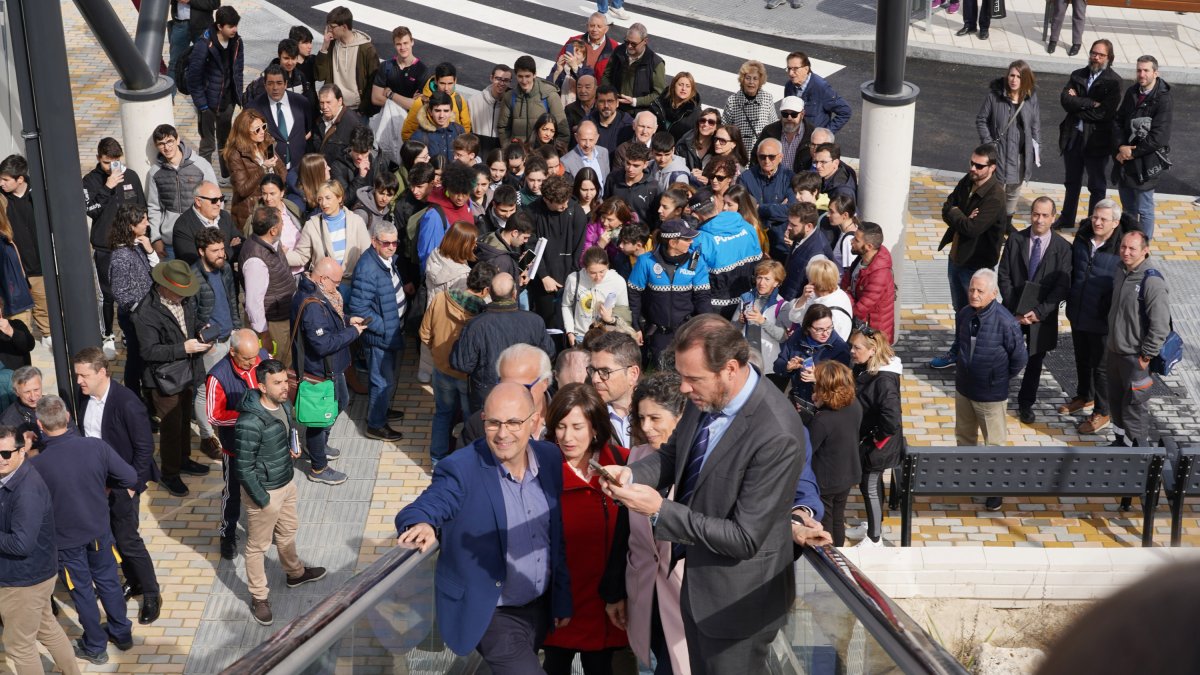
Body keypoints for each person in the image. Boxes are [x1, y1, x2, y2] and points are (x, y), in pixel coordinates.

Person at [600, 315, 812, 674]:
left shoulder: (776, 432)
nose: (683, 388)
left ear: (730, 369)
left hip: (738, 607)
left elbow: (745, 538)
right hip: (698, 590)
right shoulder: (708, 398)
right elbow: (673, 456)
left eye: (693, 378)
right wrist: (631, 474)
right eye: (682, 375)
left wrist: (659, 510)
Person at [396, 383, 573, 671]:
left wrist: (561, 597)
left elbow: (554, 536)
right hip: (491, 614)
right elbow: (428, 504)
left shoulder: (550, 458)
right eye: (494, 423)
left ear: (534, 422)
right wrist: (422, 522)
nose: (503, 434)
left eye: (514, 422)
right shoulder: (461, 468)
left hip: (539, 607)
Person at [31, 396, 137, 665]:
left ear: (40, 425)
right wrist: (105, 486)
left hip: (65, 540)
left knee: (82, 591)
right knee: (109, 581)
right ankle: (122, 633)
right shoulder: (95, 447)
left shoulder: (37, 466)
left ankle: (95, 645)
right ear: (67, 418)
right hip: (99, 530)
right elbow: (129, 477)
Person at [597, 373, 690, 674]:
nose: (646, 427)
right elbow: (624, 531)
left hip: (686, 600)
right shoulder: (637, 457)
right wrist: (614, 593)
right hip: (646, 595)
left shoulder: (700, 462)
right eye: (641, 418)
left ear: (681, 417)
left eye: (655, 418)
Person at [540, 383, 629, 673]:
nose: (567, 437)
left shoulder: (624, 463)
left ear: (595, 428)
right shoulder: (539, 471)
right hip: (559, 603)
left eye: (577, 427)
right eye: (560, 426)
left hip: (608, 604)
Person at [234, 358, 327, 625]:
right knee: (257, 547)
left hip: (286, 483)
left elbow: (282, 436)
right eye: (277, 383)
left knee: (287, 531)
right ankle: (259, 596)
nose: (285, 387)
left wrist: (290, 449)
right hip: (265, 492)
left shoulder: (284, 405)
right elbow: (243, 467)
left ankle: (295, 573)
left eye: (285, 380)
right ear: (262, 387)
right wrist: (262, 499)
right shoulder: (249, 422)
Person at [73, 347, 161, 623]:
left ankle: (151, 592)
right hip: (96, 484)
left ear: (102, 372)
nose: (79, 381)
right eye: (77, 376)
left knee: (128, 539)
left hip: (122, 485)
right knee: (111, 537)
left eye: (84, 375)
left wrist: (131, 484)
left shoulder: (127, 403)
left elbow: (144, 448)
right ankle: (134, 581)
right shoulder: (84, 397)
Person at [0, 425, 83, 675]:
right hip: (36, 573)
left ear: (21, 451)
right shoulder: (12, 477)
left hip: (23, 581)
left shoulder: (26, 491)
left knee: (19, 646)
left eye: (5, 453)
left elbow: (21, 544)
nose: (0, 459)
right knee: (46, 626)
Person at [133, 260, 213, 497]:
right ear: (165, 287)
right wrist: (183, 348)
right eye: (179, 292)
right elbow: (148, 352)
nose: (183, 296)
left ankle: (183, 460)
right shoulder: (145, 313)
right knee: (171, 426)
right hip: (164, 379)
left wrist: (201, 329)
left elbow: (190, 323)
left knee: (184, 419)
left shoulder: (183, 300)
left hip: (187, 371)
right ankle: (169, 474)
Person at [954, 269, 1028, 511]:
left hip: (991, 395)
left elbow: (1019, 357)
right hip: (964, 388)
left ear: (993, 293)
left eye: (980, 291)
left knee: (993, 444)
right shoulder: (964, 314)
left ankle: (994, 489)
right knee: (964, 437)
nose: (974, 295)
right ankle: (966, 479)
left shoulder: (1006, 322)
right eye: (971, 289)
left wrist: (998, 378)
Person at [930, 144, 1007, 369]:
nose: (973, 168)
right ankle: (960, 351)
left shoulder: (995, 197)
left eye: (979, 166)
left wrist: (957, 212)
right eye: (972, 163)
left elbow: (972, 229)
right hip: (957, 257)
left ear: (992, 168)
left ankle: (974, 355)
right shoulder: (968, 180)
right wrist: (960, 214)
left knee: (976, 311)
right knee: (961, 309)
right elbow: (947, 207)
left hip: (975, 264)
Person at [997, 197, 1072, 424]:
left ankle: (1025, 403)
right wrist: (1016, 309)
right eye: (1036, 214)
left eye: (1045, 215)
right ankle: (996, 396)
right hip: (1013, 312)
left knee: (1035, 361)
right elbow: (1004, 275)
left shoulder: (1063, 248)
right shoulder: (1016, 240)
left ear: (1053, 217)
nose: (1039, 220)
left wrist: (1039, 312)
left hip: (1042, 317)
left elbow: (1062, 286)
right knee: (1003, 354)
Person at [293, 258, 363, 484]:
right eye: (336, 282)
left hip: (332, 367)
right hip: (319, 371)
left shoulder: (319, 295)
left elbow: (329, 322)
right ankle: (318, 467)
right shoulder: (313, 305)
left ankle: (318, 444)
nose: (338, 287)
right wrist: (353, 332)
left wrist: (347, 320)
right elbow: (322, 344)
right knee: (319, 418)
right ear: (322, 279)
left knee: (341, 401)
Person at [451, 272, 556, 412]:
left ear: (489, 293)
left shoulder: (476, 325)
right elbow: (549, 353)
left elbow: (463, 364)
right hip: (524, 391)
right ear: (514, 293)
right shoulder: (535, 321)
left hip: (487, 396)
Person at [421, 263, 494, 463]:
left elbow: (424, 333)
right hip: (467, 377)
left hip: (441, 370)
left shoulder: (440, 299)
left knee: (442, 414)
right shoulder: (483, 315)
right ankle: (468, 463)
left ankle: (437, 460)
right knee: (471, 420)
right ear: (486, 290)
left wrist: (438, 354)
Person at [1062, 200, 1122, 434]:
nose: (1097, 222)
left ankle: (1102, 411)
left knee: (1101, 368)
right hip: (1078, 312)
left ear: (1115, 223)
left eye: (1103, 219)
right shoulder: (1082, 238)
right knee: (1082, 359)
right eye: (1095, 217)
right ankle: (1083, 396)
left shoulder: (1121, 248)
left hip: (1102, 319)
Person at [205, 329, 266, 559]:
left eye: (255, 356)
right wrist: (248, 417)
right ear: (232, 352)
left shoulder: (261, 358)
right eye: (247, 359)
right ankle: (227, 534)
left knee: (264, 486)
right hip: (236, 447)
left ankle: (264, 528)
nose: (253, 362)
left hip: (263, 443)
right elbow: (214, 415)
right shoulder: (217, 376)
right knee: (232, 493)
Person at [1107, 230, 1170, 448]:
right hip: (1114, 353)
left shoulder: (1152, 282)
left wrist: (1146, 355)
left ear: (1145, 251)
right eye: (1123, 247)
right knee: (1116, 402)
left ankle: (1138, 454)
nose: (1126, 252)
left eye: (1132, 248)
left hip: (1135, 358)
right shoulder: (1120, 271)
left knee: (1135, 408)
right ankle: (1120, 444)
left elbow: (1160, 326)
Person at [83, 137, 147, 352]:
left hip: (131, 245)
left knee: (133, 291)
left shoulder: (131, 176)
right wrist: (108, 187)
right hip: (105, 247)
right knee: (107, 295)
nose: (111, 167)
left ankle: (130, 332)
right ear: (98, 158)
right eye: (106, 162)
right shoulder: (90, 181)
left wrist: (145, 237)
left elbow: (142, 207)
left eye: (115, 161)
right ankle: (107, 335)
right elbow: (91, 210)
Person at [347, 222, 408, 442]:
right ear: (374, 242)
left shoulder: (385, 260)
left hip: (390, 333)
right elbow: (359, 309)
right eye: (386, 243)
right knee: (382, 381)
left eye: (395, 243)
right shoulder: (368, 269)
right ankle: (375, 425)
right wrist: (386, 328)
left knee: (386, 380)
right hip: (379, 338)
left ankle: (381, 410)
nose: (391, 247)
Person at [1056, 38, 1122, 231]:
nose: (1096, 57)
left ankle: (1094, 223)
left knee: (1096, 185)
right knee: (1071, 181)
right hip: (1073, 137)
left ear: (1109, 58)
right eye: (1094, 53)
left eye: (1101, 55)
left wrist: (1077, 105)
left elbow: (1105, 113)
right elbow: (1065, 101)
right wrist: (1091, 103)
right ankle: (1067, 218)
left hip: (1096, 140)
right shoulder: (1078, 75)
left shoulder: (1114, 82)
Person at [846, 327, 903, 547]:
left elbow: (892, 419)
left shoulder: (884, 380)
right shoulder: (865, 368)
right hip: (870, 441)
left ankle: (875, 538)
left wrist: (874, 438)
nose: (852, 351)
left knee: (869, 486)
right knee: (870, 484)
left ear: (872, 350)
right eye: (852, 346)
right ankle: (873, 524)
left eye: (856, 348)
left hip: (878, 446)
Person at [627, 219, 712, 367]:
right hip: (658, 333)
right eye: (686, 239)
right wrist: (636, 326)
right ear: (672, 242)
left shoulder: (696, 261)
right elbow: (634, 295)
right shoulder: (645, 261)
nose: (691, 242)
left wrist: (708, 326)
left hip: (686, 331)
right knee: (662, 374)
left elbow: (703, 298)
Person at [188, 226, 240, 461]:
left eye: (222, 249)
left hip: (229, 338)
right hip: (212, 345)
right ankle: (207, 437)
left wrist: (236, 327)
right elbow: (191, 314)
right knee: (204, 391)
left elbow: (232, 300)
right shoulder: (193, 277)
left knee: (228, 387)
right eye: (215, 250)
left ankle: (225, 427)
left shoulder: (225, 268)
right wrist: (202, 335)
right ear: (201, 251)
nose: (221, 254)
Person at [1113, 55, 1172, 239]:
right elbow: (1118, 121)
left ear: (1155, 73)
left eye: (1146, 70)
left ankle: (1143, 248)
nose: (1142, 74)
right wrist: (1121, 146)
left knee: (1144, 209)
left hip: (1146, 163)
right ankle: (1128, 244)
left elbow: (1159, 137)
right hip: (1125, 160)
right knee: (1128, 208)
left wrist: (1132, 153)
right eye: (1139, 70)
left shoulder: (1163, 99)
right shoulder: (1132, 92)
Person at [806, 361, 862, 547]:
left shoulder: (822, 420)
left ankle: (830, 553)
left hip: (826, 480)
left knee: (826, 520)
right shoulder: (854, 404)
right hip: (848, 471)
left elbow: (808, 448)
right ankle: (840, 551)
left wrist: (811, 415)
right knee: (838, 517)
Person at [976, 60, 1041, 219]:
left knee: (1013, 191)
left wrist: (1036, 149)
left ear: (1025, 79)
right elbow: (981, 120)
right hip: (998, 153)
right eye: (1012, 75)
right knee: (994, 191)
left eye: (1019, 77)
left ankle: (1006, 223)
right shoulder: (994, 96)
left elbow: (1035, 125)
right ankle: (990, 222)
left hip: (1020, 155)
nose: (1014, 80)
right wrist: (989, 144)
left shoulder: (1031, 97)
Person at [186, 6, 243, 182]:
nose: (234, 29)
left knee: (226, 141)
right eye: (230, 26)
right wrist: (202, 105)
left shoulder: (237, 42)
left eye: (236, 25)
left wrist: (237, 96)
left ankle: (225, 175)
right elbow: (193, 79)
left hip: (227, 101)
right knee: (207, 144)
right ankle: (206, 178)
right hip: (207, 104)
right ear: (219, 26)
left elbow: (238, 71)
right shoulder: (203, 45)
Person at [530, 175, 590, 338]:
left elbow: (579, 250)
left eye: (566, 201)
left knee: (570, 327)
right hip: (543, 283)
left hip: (570, 279)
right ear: (547, 200)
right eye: (560, 203)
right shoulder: (532, 212)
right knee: (548, 328)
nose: (565, 205)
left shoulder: (576, 211)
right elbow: (530, 246)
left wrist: (571, 279)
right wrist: (544, 276)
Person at [145, 124, 217, 259]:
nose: (167, 147)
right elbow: (154, 207)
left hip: (200, 239)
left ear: (178, 140)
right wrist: (155, 238)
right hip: (170, 242)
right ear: (156, 146)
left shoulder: (201, 165)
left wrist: (213, 232)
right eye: (161, 144)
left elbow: (216, 200)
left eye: (170, 141)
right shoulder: (155, 172)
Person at [241, 206, 298, 366]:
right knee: (278, 365)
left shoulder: (270, 242)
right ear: (273, 230)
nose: (283, 225)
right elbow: (254, 303)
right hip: (272, 324)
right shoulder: (255, 260)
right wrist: (264, 334)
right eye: (281, 223)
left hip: (281, 316)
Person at [289, 180, 371, 283]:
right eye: (320, 199)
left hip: (351, 283)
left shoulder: (356, 222)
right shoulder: (311, 225)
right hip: (323, 284)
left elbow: (368, 256)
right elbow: (301, 257)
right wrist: (280, 254)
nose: (323, 203)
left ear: (339, 198)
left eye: (328, 198)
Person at [0, 157, 45, 342]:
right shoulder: (2, 198)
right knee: (19, 316)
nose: (1, 183)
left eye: (5, 179)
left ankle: (48, 338)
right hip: (13, 271)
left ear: (20, 179)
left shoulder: (39, 194)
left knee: (44, 309)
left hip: (38, 267)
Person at [776, 303, 851, 408]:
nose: (825, 333)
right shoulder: (798, 336)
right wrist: (787, 367)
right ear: (808, 327)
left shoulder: (840, 348)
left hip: (820, 408)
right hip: (796, 401)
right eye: (819, 329)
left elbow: (842, 386)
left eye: (829, 328)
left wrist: (819, 379)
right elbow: (778, 365)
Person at [732, 259, 790, 390]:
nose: (761, 283)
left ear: (776, 282)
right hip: (746, 360)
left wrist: (762, 321)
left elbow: (782, 337)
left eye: (767, 279)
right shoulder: (746, 298)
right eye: (759, 277)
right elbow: (732, 330)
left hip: (769, 364)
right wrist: (739, 322)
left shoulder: (783, 305)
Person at [314, 5, 379, 115]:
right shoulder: (331, 45)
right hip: (335, 108)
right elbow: (319, 76)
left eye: (332, 27)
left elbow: (373, 82)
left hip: (358, 110)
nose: (329, 30)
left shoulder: (366, 49)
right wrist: (324, 46)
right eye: (328, 26)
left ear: (344, 27)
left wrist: (363, 109)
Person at [562, 246, 631, 346]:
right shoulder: (574, 279)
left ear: (607, 265)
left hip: (607, 337)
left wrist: (610, 319)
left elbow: (624, 312)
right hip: (580, 336)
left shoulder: (618, 281)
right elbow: (566, 305)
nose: (598, 277)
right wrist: (570, 332)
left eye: (602, 271)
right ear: (585, 268)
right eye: (592, 273)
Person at [741, 137, 795, 260]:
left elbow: (791, 210)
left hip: (781, 242)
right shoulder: (746, 178)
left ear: (780, 157)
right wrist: (778, 208)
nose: (766, 160)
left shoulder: (790, 178)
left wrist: (759, 208)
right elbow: (744, 209)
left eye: (771, 157)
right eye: (762, 156)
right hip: (754, 240)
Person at [842, 221, 896, 343]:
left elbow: (859, 310)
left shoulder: (879, 275)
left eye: (856, 240)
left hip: (874, 337)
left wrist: (846, 295)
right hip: (864, 330)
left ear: (869, 246)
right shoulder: (861, 259)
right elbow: (846, 280)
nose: (851, 241)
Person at [585, 331, 641, 448]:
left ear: (633, 374)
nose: (595, 379)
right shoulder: (587, 415)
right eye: (593, 370)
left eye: (605, 371)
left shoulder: (657, 413)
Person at [224, 109, 280, 224]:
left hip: (273, 204)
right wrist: (263, 168)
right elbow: (242, 190)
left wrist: (279, 191)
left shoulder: (266, 142)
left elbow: (282, 170)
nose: (262, 132)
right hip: (251, 210)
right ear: (245, 132)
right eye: (257, 130)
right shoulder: (235, 155)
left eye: (263, 126)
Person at [499, 55, 569, 148]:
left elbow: (563, 131)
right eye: (520, 76)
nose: (524, 81)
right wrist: (509, 150)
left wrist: (551, 152)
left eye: (527, 76)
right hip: (518, 154)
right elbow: (503, 128)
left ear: (535, 74)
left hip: (542, 154)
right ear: (516, 75)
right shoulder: (509, 97)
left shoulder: (549, 95)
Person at [172, 181, 240, 267]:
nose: (219, 203)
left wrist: (219, 255)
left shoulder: (224, 216)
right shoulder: (183, 226)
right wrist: (227, 253)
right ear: (198, 201)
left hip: (228, 274)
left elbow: (242, 245)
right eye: (214, 200)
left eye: (221, 198)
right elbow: (195, 261)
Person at [602, 24, 665, 115]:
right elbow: (606, 75)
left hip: (639, 113)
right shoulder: (618, 51)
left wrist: (635, 101)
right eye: (627, 42)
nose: (629, 46)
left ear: (645, 41)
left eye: (634, 44)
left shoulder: (656, 63)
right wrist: (611, 94)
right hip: (615, 108)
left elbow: (658, 94)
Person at [400, 63, 473, 142]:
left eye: (450, 83)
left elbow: (466, 129)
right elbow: (407, 133)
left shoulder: (459, 100)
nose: (446, 88)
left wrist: (460, 146)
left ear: (455, 81)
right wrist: (418, 149)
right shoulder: (420, 102)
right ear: (435, 81)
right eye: (442, 83)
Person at [783, 52, 851, 134]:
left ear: (806, 69)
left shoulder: (821, 87)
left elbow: (845, 111)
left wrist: (825, 134)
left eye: (795, 69)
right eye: (789, 68)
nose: (790, 73)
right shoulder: (789, 86)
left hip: (812, 139)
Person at [790, 257, 854, 341]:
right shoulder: (814, 294)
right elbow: (794, 317)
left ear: (814, 282)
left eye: (809, 278)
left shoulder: (836, 314)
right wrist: (803, 298)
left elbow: (831, 344)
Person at [780, 202, 833, 300]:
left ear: (808, 226)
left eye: (793, 225)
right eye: (789, 222)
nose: (788, 227)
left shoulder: (818, 256)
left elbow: (818, 293)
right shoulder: (801, 235)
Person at [370, 26, 427, 113]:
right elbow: (376, 99)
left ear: (412, 42)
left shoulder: (422, 70)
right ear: (394, 45)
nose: (402, 47)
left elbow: (416, 105)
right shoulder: (385, 66)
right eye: (398, 44)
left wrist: (390, 94)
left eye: (405, 43)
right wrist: (406, 103)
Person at [723, 61, 777, 151]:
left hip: (761, 153)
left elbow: (773, 126)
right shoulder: (732, 101)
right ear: (742, 80)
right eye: (748, 78)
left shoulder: (767, 99)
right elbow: (725, 128)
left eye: (755, 79)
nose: (751, 82)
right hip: (739, 152)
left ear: (760, 81)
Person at [476, 207, 533, 283]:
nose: (526, 241)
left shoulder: (490, 236)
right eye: (525, 237)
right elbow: (500, 289)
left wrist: (516, 265)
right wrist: (519, 280)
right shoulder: (502, 260)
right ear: (515, 233)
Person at [313, 85, 366, 167]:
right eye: (321, 103)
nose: (324, 107)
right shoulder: (319, 121)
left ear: (339, 101)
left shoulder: (352, 123)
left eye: (328, 102)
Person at [410, 91, 466, 164]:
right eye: (437, 111)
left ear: (451, 112)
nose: (441, 115)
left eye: (446, 111)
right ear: (430, 112)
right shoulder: (420, 136)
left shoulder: (459, 130)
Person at [467, 65, 512, 154]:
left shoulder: (512, 103)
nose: (501, 83)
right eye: (498, 79)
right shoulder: (473, 101)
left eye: (506, 80)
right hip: (478, 154)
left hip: (500, 156)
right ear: (491, 78)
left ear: (510, 82)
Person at [650, 72, 701, 142]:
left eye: (688, 86)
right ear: (674, 86)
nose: (683, 89)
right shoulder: (658, 104)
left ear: (692, 90)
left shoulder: (695, 114)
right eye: (680, 85)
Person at [1, 367, 43, 453]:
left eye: (36, 390)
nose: (33, 397)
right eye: (27, 392)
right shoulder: (7, 422)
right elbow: (7, 457)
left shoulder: (56, 405)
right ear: (16, 392)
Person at [563, 121, 610, 192]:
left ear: (597, 137)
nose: (587, 144)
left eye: (591, 140)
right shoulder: (566, 162)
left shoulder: (604, 153)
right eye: (583, 140)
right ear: (576, 137)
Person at [677, 108, 720, 176]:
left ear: (716, 127)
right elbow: (676, 169)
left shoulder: (720, 147)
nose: (705, 124)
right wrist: (689, 174)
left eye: (711, 122)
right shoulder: (684, 144)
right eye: (702, 120)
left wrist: (707, 177)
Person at [595, 85, 634, 158]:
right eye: (601, 101)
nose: (606, 105)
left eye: (610, 101)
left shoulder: (628, 125)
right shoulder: (588, 123)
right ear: (596, 103)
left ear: (617, 103)